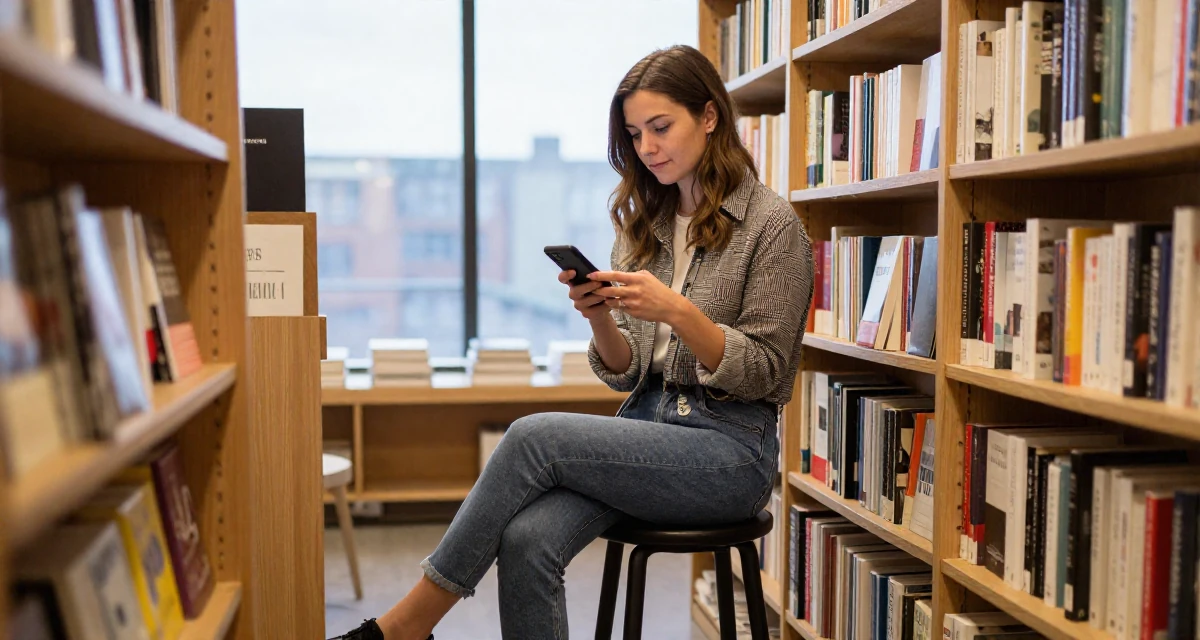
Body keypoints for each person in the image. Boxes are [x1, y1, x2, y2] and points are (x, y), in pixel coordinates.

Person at [329, 43, 813, 640]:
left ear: (709, 117)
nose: (647, 147)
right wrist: (599, 318)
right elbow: (625, 370)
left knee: (533, 435)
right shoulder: (644, 223)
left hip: (729, 454)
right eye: (635, 135)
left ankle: (406, 625)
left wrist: (679, 312)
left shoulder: (772, 226)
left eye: (661, 127)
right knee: (526, 539)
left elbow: (766, 371)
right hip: (648, 434)